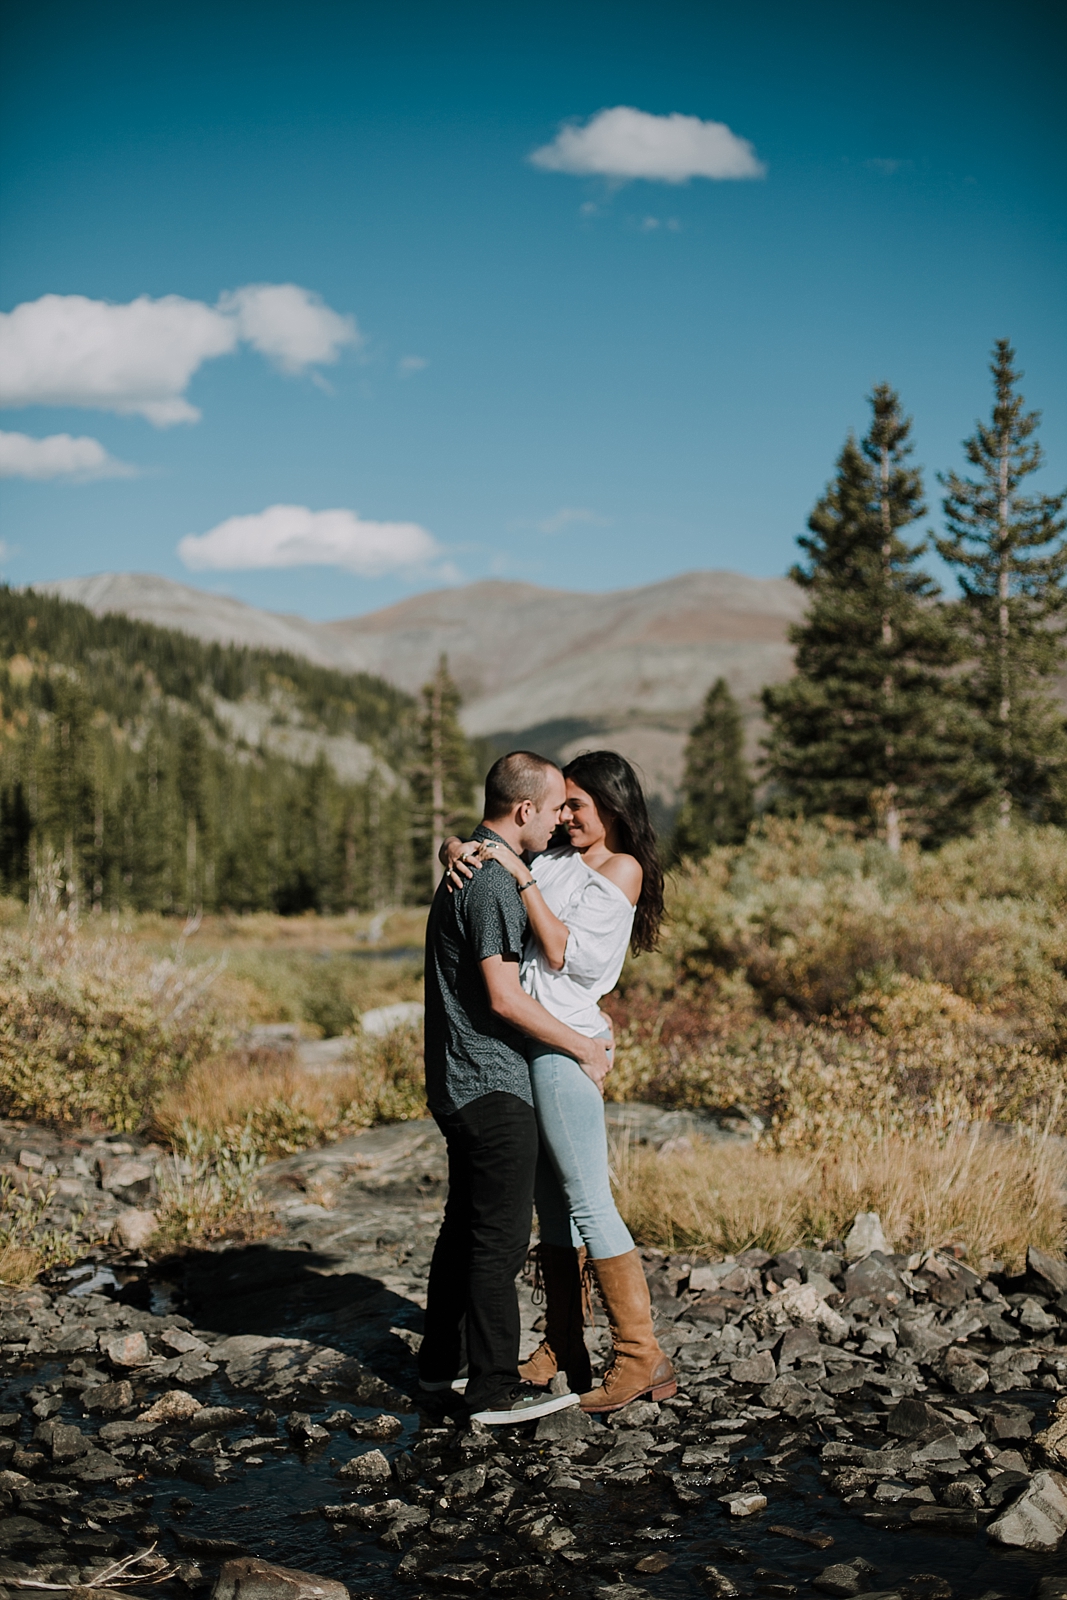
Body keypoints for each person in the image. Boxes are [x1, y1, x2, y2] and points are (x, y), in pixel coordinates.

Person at [443, 749, 676, 1414]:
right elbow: (491, 850)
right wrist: (452, 846)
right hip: (534, 1040)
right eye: (562, 803)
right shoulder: (550, 860)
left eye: (578, 804)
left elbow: (561, 950)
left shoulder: (619, 869)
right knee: (554, 1203)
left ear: (612, 805)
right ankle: (564, 1346)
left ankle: (640, 1356)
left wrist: (522, 879)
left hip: (566, 1045)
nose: (566, 815)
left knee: (586, 1197)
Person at [420, 749, 611, 1426]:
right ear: (524, 809)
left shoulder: (473, 864)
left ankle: (438, 1364)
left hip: (454, 1078)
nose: (563, 817)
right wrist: (581, 1043)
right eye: (556, 806)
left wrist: (453, 843)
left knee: (462, 1226)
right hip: (489, 1085)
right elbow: (503, 998)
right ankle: (493, 1388)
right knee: (497, 1242)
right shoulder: (490, 881)